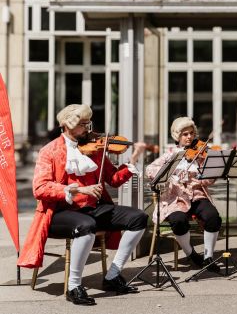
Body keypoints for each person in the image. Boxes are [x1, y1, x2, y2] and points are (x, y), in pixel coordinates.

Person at [17, 104, 149, 306]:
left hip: (94, 208)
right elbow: (40, 188)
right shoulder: (49, 151)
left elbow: (113, 179)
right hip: (60, 211)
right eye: (82, 124)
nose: (87, 129)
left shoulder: (94, 149)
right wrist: (77, 190)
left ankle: (113, 275)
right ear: (67, 125)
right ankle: (74, 286)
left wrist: (132, 159)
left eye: (88, 123)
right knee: (86, 225)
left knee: (138, 218)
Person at [145, 117, 222, 273]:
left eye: (191, 133)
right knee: (178, 220)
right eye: (185, 134)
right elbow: (150, 170)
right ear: (177, 136)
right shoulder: (170, 155)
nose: (189, 137)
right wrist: (170, 176)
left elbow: (210, 180)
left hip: (197, 195)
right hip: (176, 198)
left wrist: (203, 177)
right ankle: (191, 253)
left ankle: (208, 257)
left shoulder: (200, 155)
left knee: (212, 216)